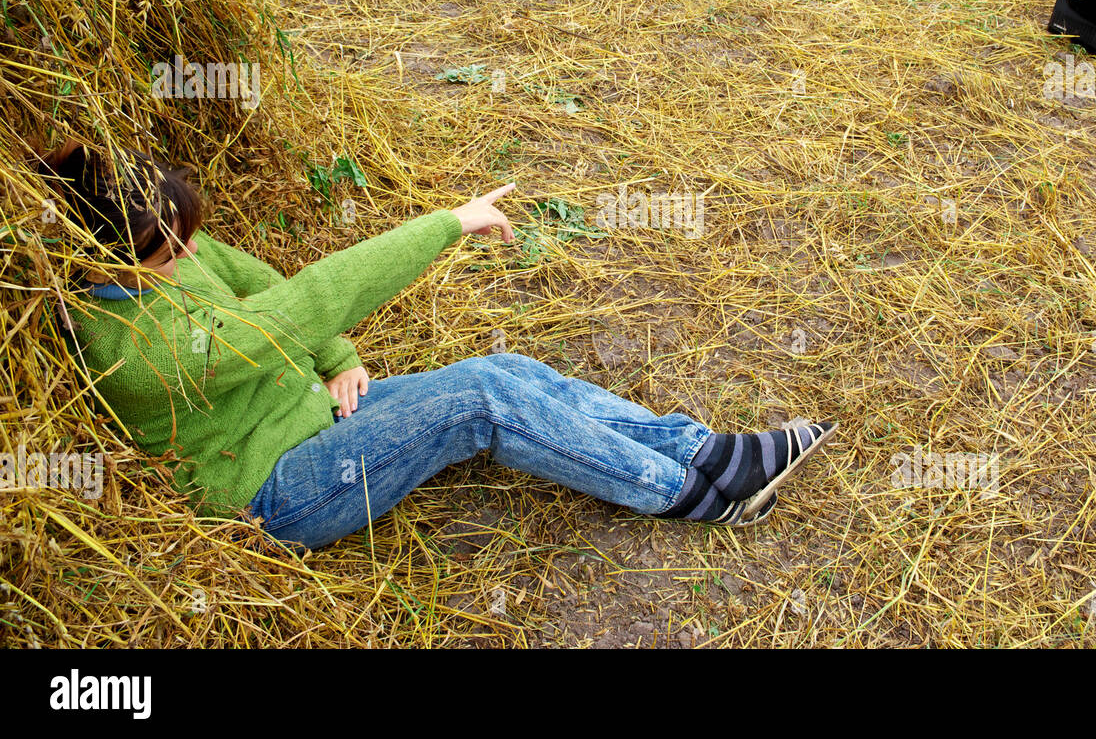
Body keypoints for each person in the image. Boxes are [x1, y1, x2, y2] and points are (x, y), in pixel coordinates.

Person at [36, 141, 836, 550]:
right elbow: (302, 300)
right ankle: (694, 495)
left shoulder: (152, 238)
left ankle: (708, 451)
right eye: (168, 251)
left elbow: (262, 282)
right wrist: (447, 224)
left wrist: (338, 358)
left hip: (318, 412)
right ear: (108, 258)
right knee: (480, 405)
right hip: (273, 490)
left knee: (506, 369)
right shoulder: (137, 353)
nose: (189, 256)